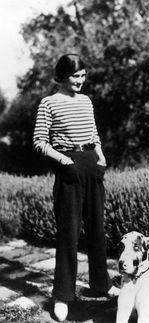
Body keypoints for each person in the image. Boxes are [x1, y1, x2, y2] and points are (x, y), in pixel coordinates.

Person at [33, 53, 119, 322]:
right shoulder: (48, 103)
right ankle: (62, 295)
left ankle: (100, 285)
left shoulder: (86, 101)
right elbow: (39, 142)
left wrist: (101, 156)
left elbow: (94, 135)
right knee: (68, 234)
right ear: (62, 76)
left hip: (92, 164)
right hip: (68, 167)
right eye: (75, 76)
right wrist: (64, 160)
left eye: (83, 76)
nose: (80, 81)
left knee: (96, 228)